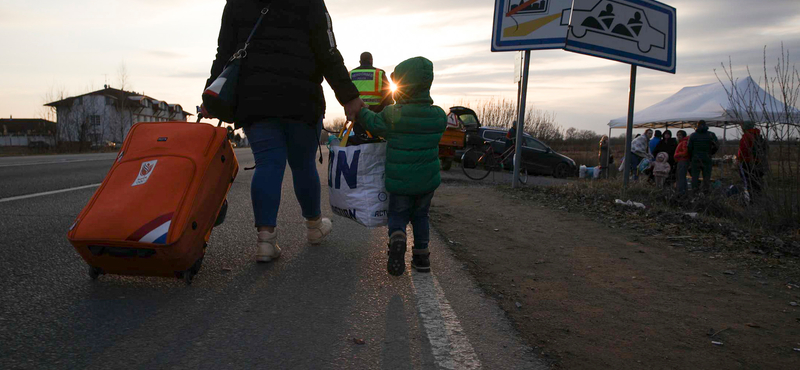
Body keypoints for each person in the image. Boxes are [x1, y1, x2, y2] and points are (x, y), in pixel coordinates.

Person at [204, 0, 367, 263]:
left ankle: (266, 241)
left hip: (255, 97)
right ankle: (314, 228)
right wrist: (348, 96)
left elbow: (224, 52)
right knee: (303, 165)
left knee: (268, 163)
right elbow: (327, 50)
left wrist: (212, 95)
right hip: (300, 97)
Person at [357, 57, 447, 275]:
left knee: (397, 214)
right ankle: (422, 257)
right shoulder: (438, 116)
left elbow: (372, 123)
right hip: (427, 181)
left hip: (400, 181)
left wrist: (362, 110)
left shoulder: (393, 115)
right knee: (421, 216)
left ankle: (397, 236)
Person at [688, 120, 719, 195]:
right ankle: (706, 194)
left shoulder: (693, 135)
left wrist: (692, 157)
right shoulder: (711, 135)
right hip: (707, 158)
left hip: (696, 158)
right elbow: (716, 146)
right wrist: (711, 153)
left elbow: (689, 148)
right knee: (706, 178)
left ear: (697, 126)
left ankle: (694, 193)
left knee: (695, 178)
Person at [737, 122, 766, 201]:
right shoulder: (758, 135)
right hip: (758, 163)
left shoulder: (746, 137)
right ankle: (758, 199)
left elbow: (743, 151)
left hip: (747, 163)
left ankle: (749, 200)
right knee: (757, 182)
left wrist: (739, 159)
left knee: (747, 183)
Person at [673, 130, 690, 195]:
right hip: (680, 160)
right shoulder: (681, 142)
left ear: (683, 135)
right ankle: (682, 191)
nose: (678, 136)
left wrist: (677, 155)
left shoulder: (684, 142)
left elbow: (685, 152)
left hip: (683, 160)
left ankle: (681, 192)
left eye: (680, 135)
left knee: (681, 176)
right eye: (677, 135)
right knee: (680, 176)